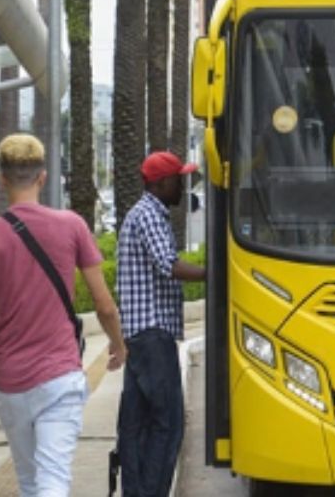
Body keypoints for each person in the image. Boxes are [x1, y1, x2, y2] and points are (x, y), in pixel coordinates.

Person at [0, 133, 127, 497]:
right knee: (53, 482)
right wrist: (118, 345)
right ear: (43, 177)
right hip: (59, 378)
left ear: (2, 180)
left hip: (9, 381)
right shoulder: (72, 226)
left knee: (31, 482)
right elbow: (105, 305)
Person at [116, 151, 207, 497]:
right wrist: (216, 274)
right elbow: (169, 264)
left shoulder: (144, 214)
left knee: (136, 426)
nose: (184, 186)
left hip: (142, 335)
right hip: (152, 334)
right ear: (161, 182)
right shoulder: (149, 215)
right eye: (179, 179)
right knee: (168, 424)